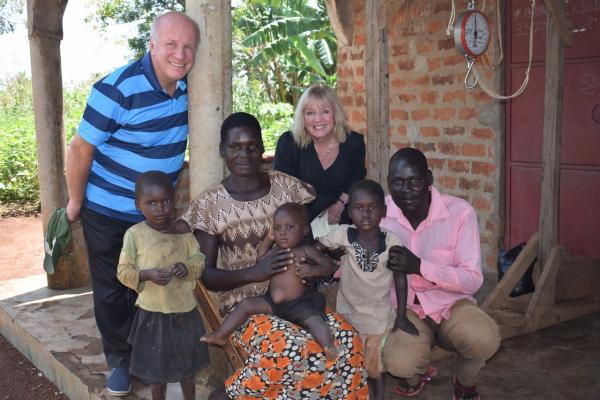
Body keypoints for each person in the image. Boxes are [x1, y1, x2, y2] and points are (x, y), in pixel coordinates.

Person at [173, 112, 368, 399]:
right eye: (235, 147)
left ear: (262, 147)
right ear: (222, 151)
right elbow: (208, 276)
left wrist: (312, 270)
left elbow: (308, 242)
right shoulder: (211, 204)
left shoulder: (286, 188)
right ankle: (228, 394)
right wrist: (255, 272)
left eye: (252, 145)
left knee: (348, 340)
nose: (245, 154)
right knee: (292, 348)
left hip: (298, 299)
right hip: (247, 307)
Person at [64, 11, 199, 396]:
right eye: (171, 44)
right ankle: (119, 361)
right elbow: (80, 147)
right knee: (112, 287)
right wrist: (75, 202)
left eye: (188, 46)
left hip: (156, 216)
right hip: (108, 209)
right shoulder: (116, 89)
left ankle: (148, 355)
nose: (181, 54)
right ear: (152, 44)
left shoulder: (192, 85)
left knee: (152, 284)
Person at [379, 148, 501, 400]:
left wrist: (421, 267)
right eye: (398, 182)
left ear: (429, 180)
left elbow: (472, 280)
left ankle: (465, 381)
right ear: (389, 183)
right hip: (404, 311)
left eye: (414, 181)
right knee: (400, 363)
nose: (406, 189)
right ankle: (415, 374)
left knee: (483, 338)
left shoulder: (459, 213)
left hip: (450, 304)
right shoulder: (379, 214)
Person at [317, 179, 418, 400]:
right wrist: (323, 259)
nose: (365, 214)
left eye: (372, 208)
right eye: (358, 208)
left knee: (374, 369)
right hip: (347, 316)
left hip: (377, 319)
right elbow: (317, 247)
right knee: (348, 365)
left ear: (383, 212)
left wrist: (400, 316)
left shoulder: (391, 242)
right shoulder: (343, 234)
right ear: (349, 212)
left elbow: (401, 279)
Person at [200, 202, 339, 360]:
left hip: (299, 304)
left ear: (304, 230)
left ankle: (328, 345)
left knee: (316, 321)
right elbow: (260, 259)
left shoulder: (306, 251)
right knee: (247, 304)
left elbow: (329, 266)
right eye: (277, 228)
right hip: (272, 302)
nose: (282, 233)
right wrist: (268, 239)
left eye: (289, 227)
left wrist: (313, 270)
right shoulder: (276, 251)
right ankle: (221, 334)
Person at [116, 171, 209, 400]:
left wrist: (187, 268)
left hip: (184, 312)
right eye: (151, 203)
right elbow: (122, 271)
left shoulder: (183, 233)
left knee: (187, 368)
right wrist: (146, 274)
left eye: (166, 201)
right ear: (139, 206)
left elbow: (199, 261)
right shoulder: (135, 235)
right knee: (156, 372)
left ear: (174, 201)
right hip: (152, 314)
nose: (160, 208)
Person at [273, 84, 366, 235]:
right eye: (310, 113)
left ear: (335, 113)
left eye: (325, 111)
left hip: (340, 221)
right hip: (299, 224)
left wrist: (340, 204)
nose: (318, 119)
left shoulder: (353, 142)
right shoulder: (289, 143)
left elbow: (356, 176)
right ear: (302, 116)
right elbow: (283, 192)